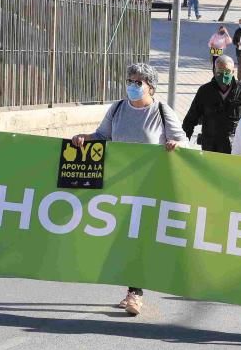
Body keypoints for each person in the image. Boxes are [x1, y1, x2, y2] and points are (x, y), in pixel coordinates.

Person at [71, 63, 185, 314]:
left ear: (151, 88)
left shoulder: (162, 112)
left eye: (138, 83)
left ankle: (136, 293)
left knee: (139, 238)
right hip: (118, 184)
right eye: (130, 81)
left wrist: (175, 144)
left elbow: (181, 141)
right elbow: (102, 136)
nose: (132, 86)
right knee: (122, 239)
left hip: (149, 185)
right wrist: (83, 138)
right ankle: (131, 290)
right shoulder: (118, 108)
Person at [182, 55, 241, 154]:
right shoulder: (205, 91)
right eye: (220, 71)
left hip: (233, 146)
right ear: (214, 71)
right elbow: (190, 119)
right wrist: (182, 142)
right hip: (210, 146)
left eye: (227, 71)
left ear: (233, 72)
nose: (223, 75)